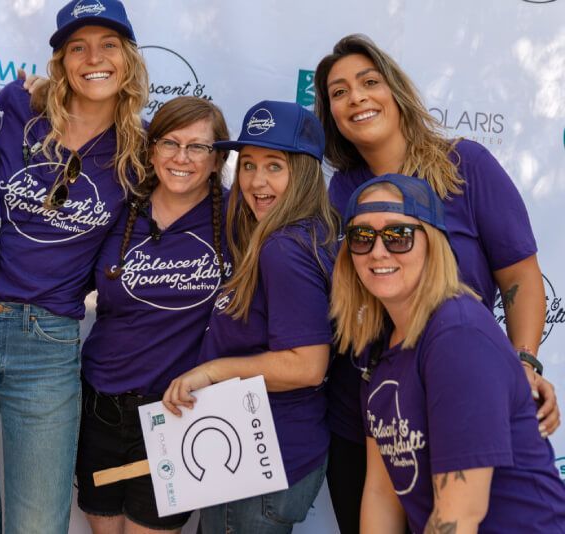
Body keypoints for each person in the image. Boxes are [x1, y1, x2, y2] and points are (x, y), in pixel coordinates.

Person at [313, 34, 559, 533]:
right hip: (372, 410)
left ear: (395, 90)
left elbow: (521, 276)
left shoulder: (465, 166)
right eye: (338, 92)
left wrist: (523, 364)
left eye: (368, 81)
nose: (355, 97)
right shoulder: (339, 191)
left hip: (459, 393)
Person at [0, 1, 149, 532]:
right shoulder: (16, 108)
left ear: (129, 59)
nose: (94, 57)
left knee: (39, 525)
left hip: (46, 345)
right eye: (78, 46)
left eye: (108, 45)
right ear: (61, 60)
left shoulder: (139, 153)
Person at [331, 174, 565, 533]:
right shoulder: (377, 348)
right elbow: (382, 493)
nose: (378, 251)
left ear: (432, 244)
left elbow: (458, 516)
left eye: (398, 236)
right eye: (362, 237)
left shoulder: (457, 334)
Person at [163, 101, 339, 534]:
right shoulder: (292, 231)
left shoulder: (284, 248)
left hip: (262, 461)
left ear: (303, 173)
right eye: (249, 165)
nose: (256, 181)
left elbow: (307, 365)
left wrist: (211, 372)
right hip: (262, 454)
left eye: (274, 166)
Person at [76, 96, 230, 534]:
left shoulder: (238, 218)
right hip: (100, 407)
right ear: (151, 149)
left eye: (198, 147)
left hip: (176, 415)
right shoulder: (120, 206)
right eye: (170, 143)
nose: (181, 158)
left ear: (217, 159)